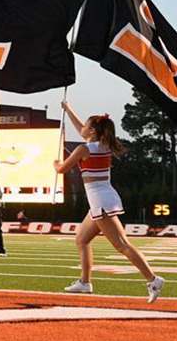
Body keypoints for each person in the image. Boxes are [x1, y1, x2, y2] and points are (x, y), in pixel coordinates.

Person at [56, 102, 164, 302]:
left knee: (122, 245)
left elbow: (61, 169)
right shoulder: (103, 145)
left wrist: (56, 164)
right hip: (104, 198)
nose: (82, 129)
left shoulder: (83, 149)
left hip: (100, 201)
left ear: (92, 130)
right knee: (81, 239)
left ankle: (153, 279)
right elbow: (83, 131)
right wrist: (69, 110)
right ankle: (85, 282)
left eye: (86, 126)